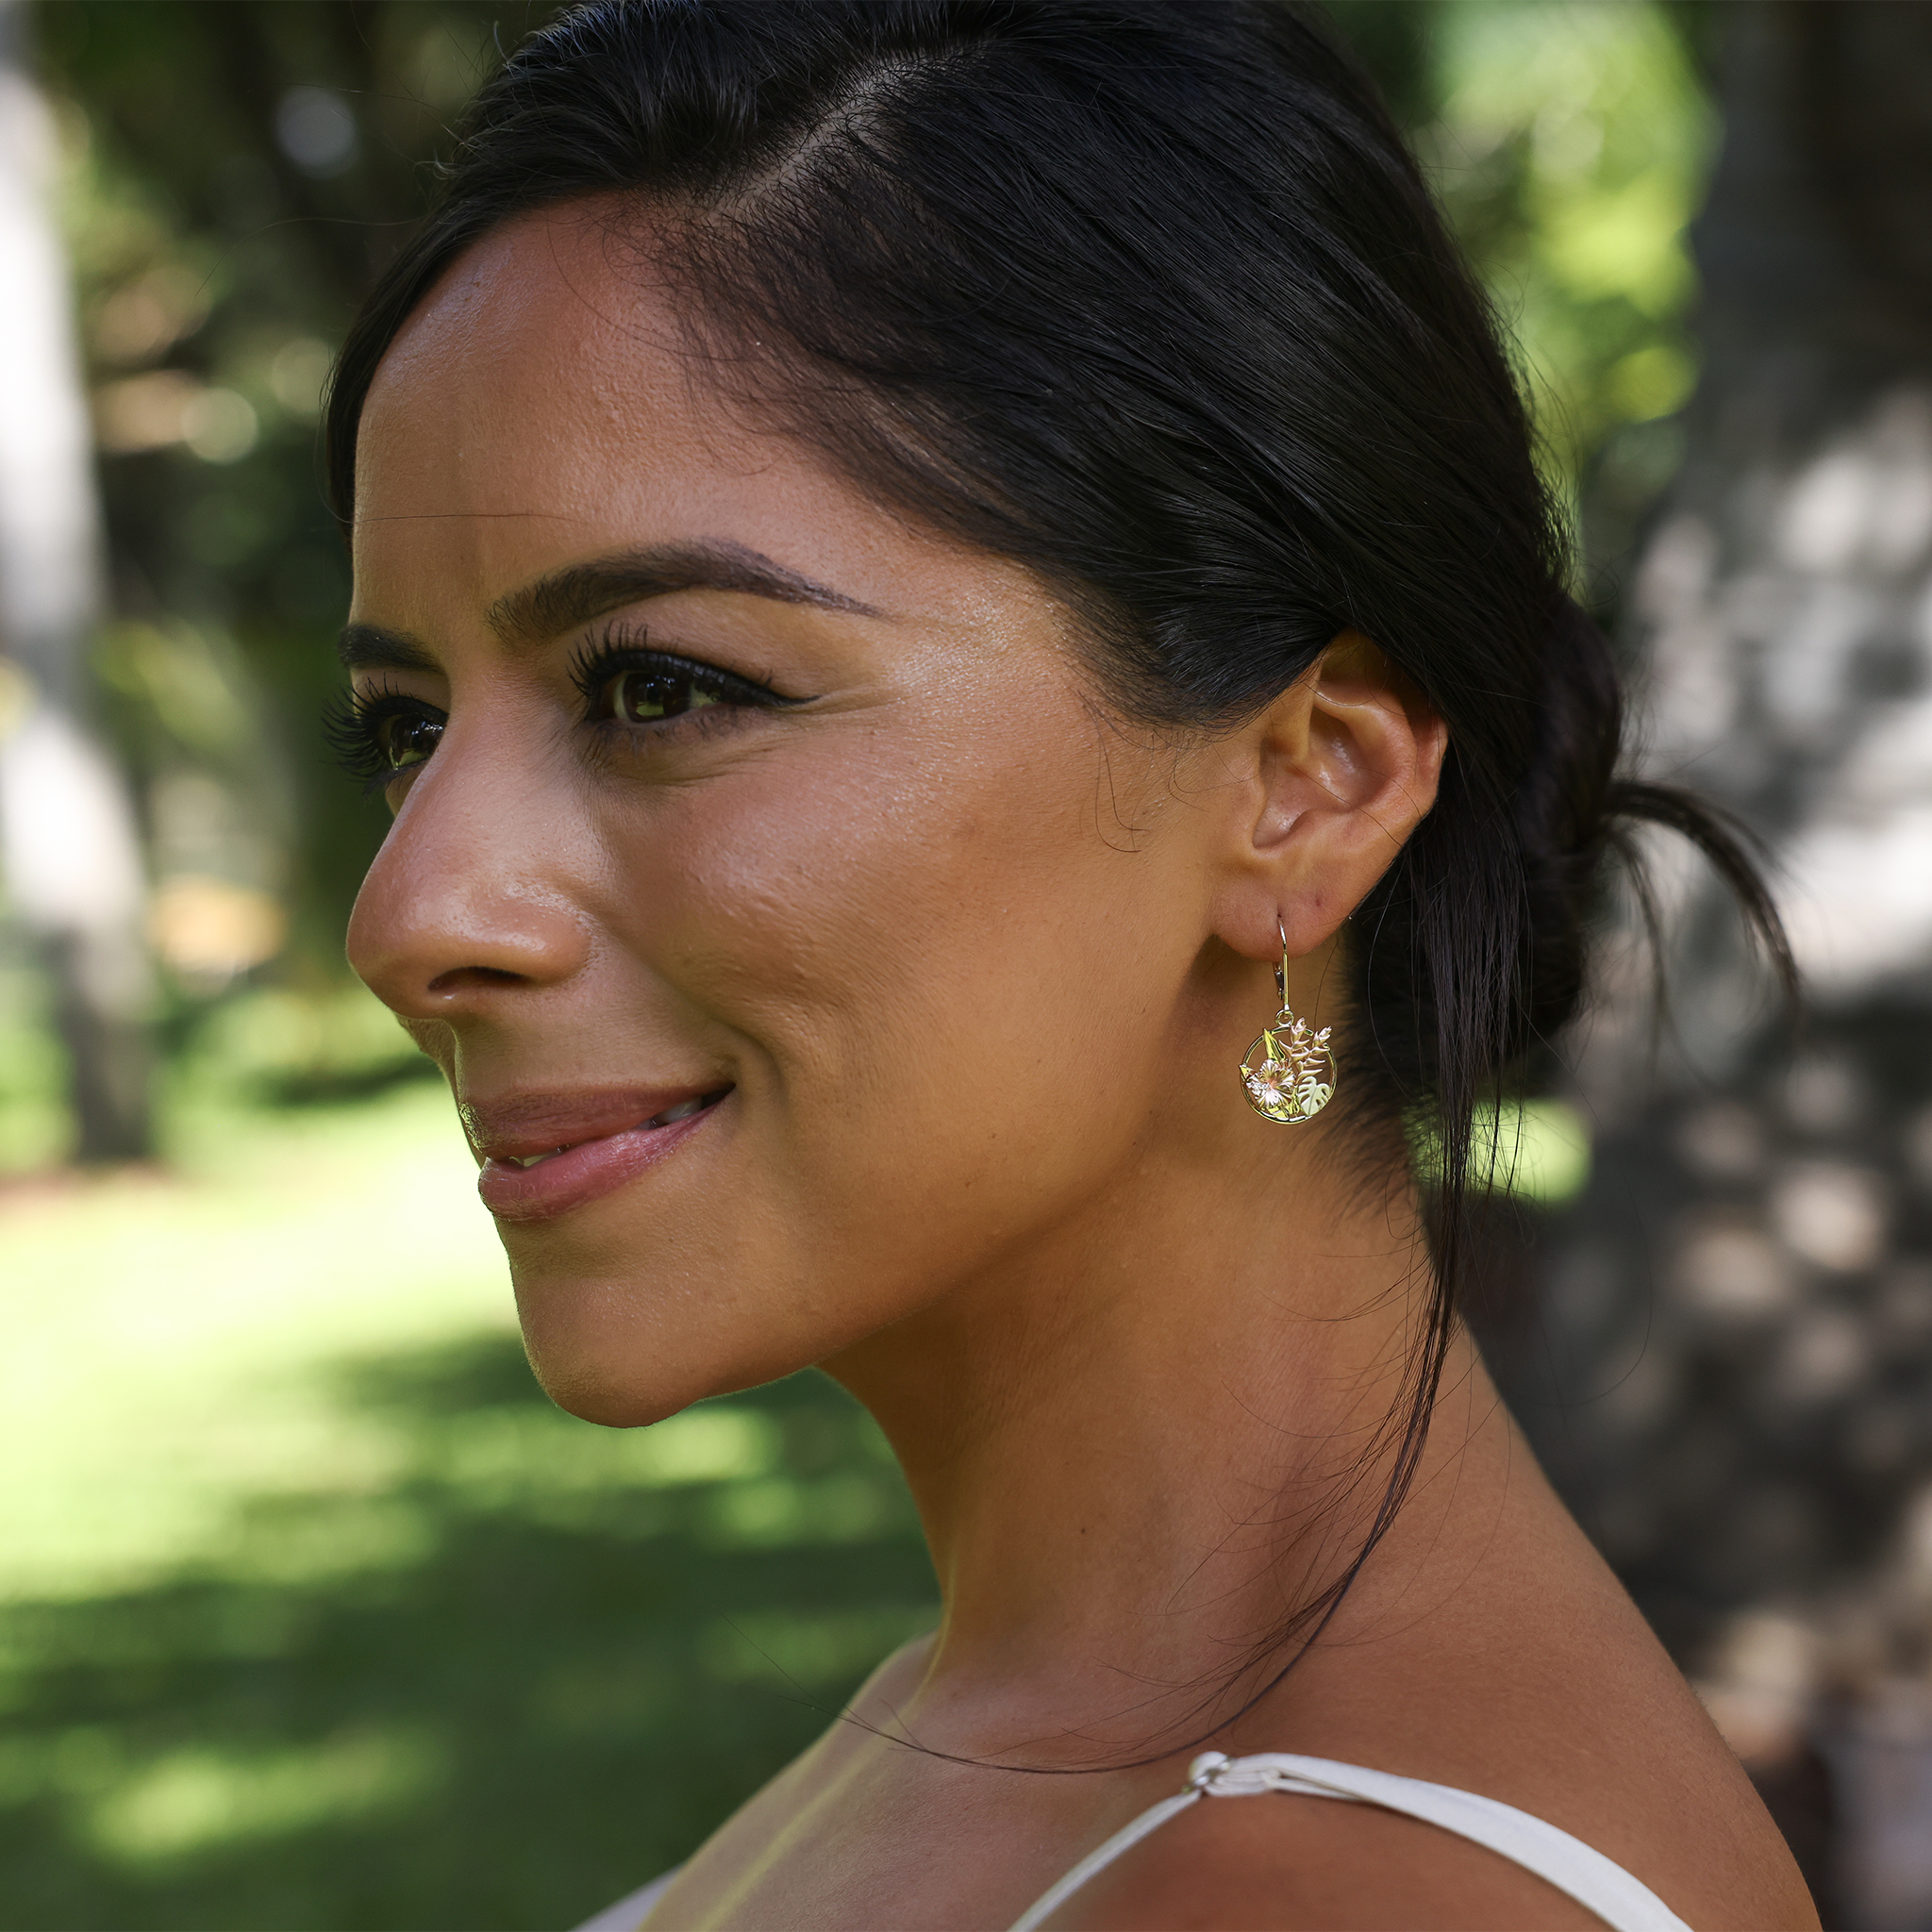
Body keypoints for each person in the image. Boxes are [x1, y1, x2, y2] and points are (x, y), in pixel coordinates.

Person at [324, 3, 1816, 1924]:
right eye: (407, 728)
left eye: (663, 688)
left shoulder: (1338, 1894)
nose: (411, 917)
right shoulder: (997, 1733)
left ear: (1304, 787)